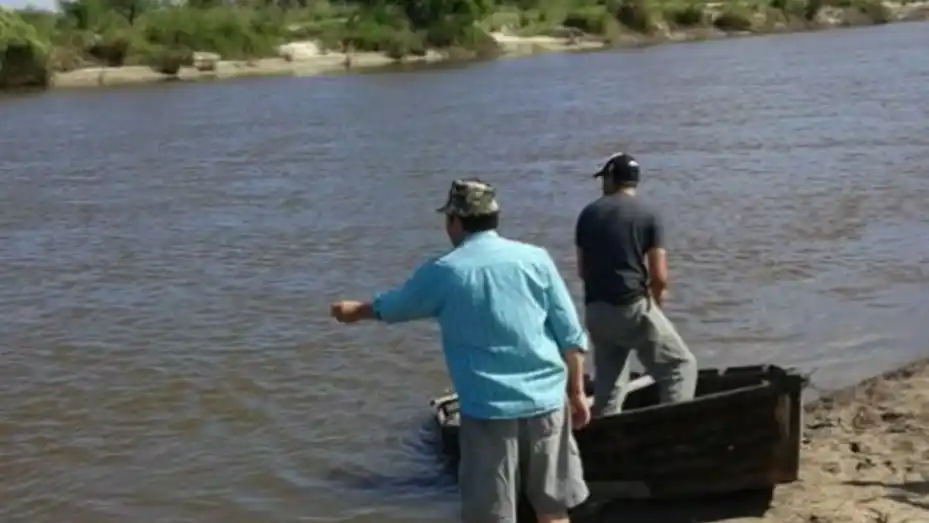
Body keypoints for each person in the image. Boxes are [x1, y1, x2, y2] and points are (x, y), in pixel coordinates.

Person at [330, 179, 591, 523]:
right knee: (553, 510)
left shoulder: (446, 270)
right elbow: (570, 335)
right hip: (546, 403)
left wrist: (356, 310)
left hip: (488, 410)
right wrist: (576, 394)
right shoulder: (536, 259)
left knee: (492, 515)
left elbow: (397, 306)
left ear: (455, 220)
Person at [574, 152, 697, 418]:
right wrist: (654, 308)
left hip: (596, 310)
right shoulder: (648, 214)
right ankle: (677, 432)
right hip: (631, 305)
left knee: (609, 387)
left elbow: (583, 270)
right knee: (680, 367)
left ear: (611, 179)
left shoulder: (588, 214)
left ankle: (608, 446)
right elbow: (660, 276)